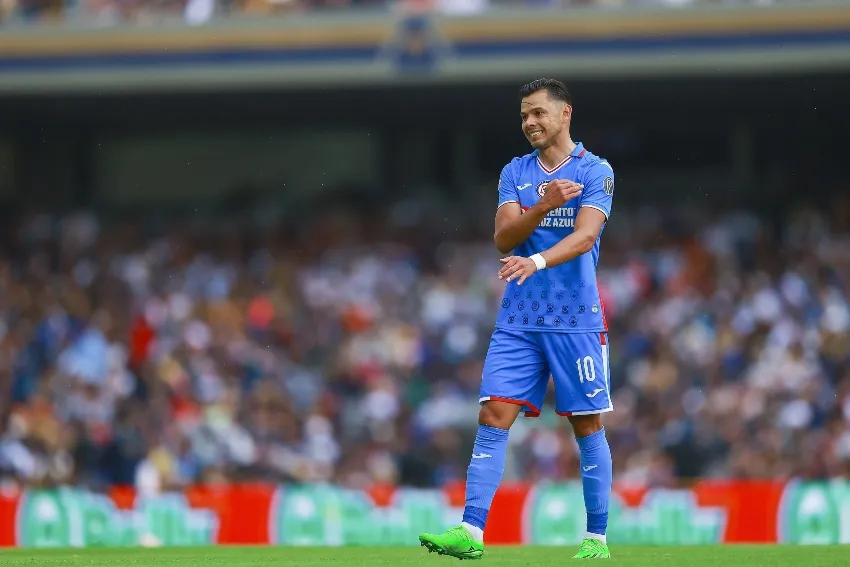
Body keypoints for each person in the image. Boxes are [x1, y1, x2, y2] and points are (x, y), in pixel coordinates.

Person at [418, 78, 615, 560]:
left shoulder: (596, 171)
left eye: (539, 113)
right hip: (520, 321)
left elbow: (586, 236)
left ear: (565, 114)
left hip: (575, 321)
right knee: (493, 414)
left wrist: (539, 260)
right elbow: (505, 238)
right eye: (524, 115)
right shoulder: (515, 172)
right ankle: (471, 530)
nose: (529, 122)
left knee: (587, 425)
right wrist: (544, 207)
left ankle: (596, 538)